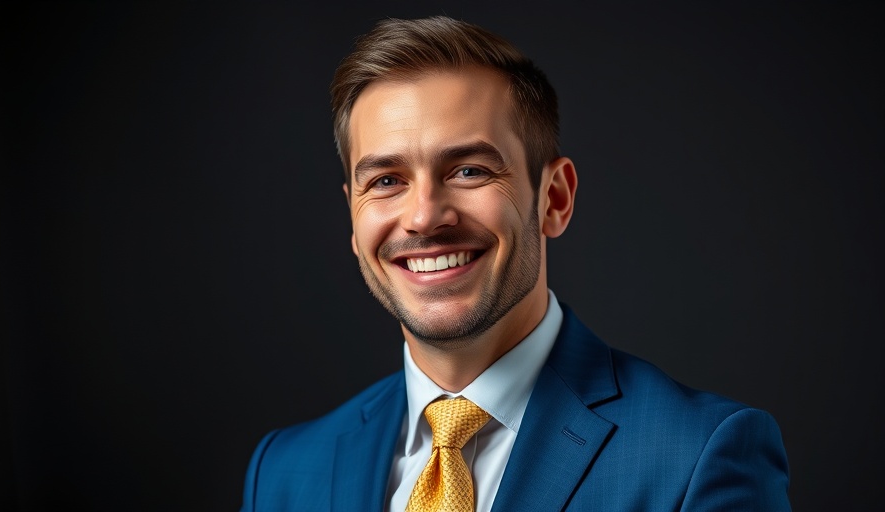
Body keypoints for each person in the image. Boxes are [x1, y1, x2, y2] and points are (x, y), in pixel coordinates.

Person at [240, 16, 790, 511]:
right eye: (386, 181)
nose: (424, 217)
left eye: (470, 170)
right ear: (354, 221)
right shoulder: (283, 472)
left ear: (554, 199)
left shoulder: (698, 457)